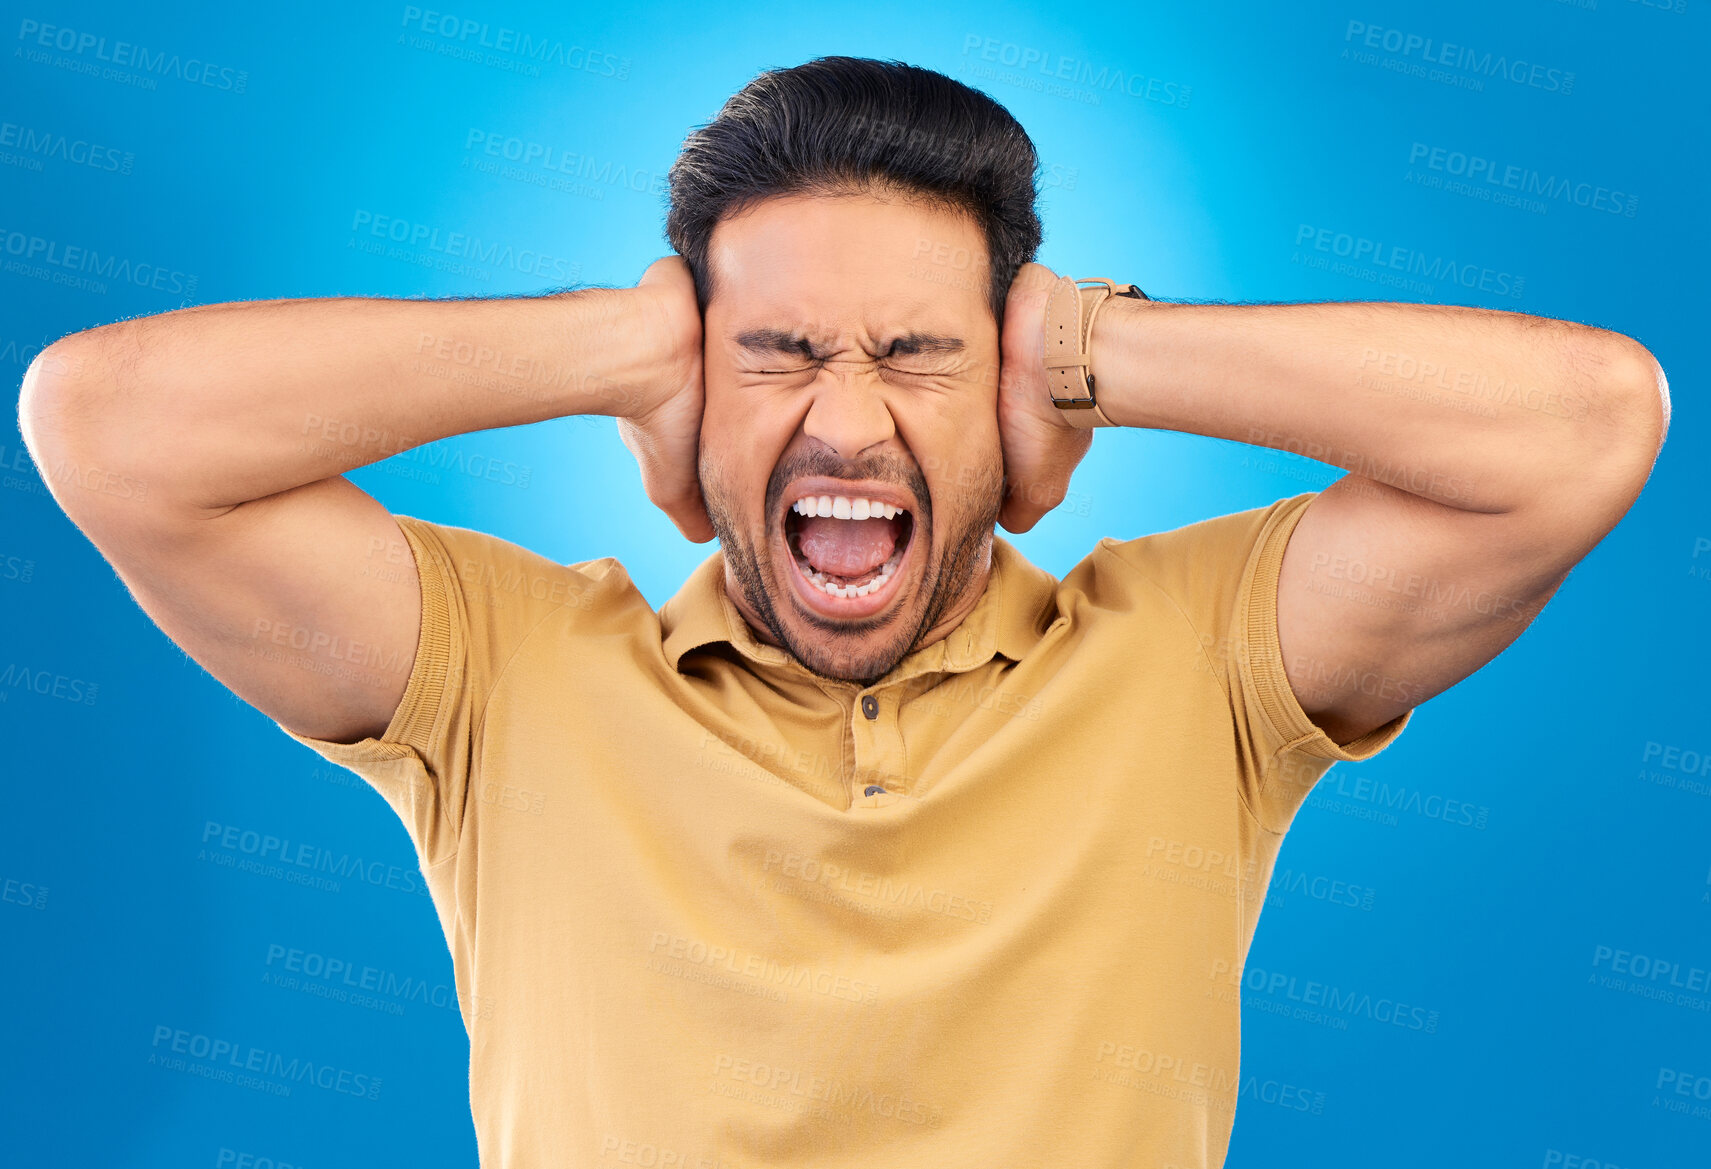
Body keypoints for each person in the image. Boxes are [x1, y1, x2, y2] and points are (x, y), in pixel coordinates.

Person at [19, 54, 1666, 1169]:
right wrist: (608, 345)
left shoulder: (1197, 658)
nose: (853, 422)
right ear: (696, 391)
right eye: (781, 354)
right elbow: (103, 427)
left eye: (920, 354)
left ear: (1009, 390)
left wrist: (1092, 347)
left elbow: (1586, 428)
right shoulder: (500, 677)